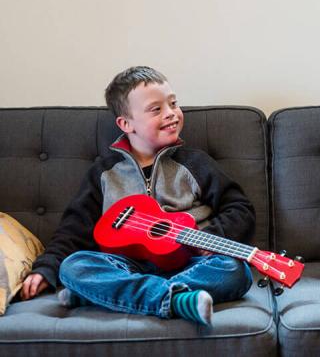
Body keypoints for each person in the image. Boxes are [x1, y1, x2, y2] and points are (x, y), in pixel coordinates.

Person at [19, 66, 255, 326]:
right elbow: (72, 231)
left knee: (236, 270)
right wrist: (46, 268)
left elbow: (239, 208)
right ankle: (175, 300)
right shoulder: (104, 173)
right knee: (74, 267)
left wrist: (210, 239)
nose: (171, 114)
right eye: (156, 109)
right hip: (125, 266)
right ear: (126, 123)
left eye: (173, 104)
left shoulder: (195, 163)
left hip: (190, 262)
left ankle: (104, 295)